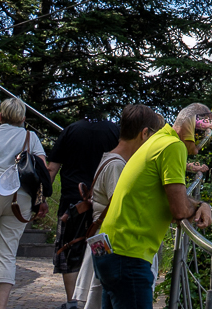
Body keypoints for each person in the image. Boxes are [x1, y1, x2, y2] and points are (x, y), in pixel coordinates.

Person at [95, 104, 212, 309]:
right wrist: (200, 207)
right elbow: (179, 209)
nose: (201, 144)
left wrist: (199, 204)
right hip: (128, 255)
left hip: (107, 248)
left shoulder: (158, 139)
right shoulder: (173, 146)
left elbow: (171, 197)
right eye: (203, 133)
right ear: (190, 128)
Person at [71, 106, 163, 309]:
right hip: (113, 245)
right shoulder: (117, 165)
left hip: (105, 243)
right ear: (144, 134)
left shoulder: (111, 159)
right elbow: (126, 208)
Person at [0, 98, 49, 309]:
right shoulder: (31, 137)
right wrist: (41, 200)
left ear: (0, 116)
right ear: (23, 119)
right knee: (7, 253)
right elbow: (42, 170)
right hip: (19, 197)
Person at [47, 116, 121, 309]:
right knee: (99, 249)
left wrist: (42, 199)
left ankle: (73, 302)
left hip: (72, 203)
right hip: (102, 204)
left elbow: (52, 168)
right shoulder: (114, 131)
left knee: (69, 250)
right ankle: (95, 299)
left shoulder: (71, 130)